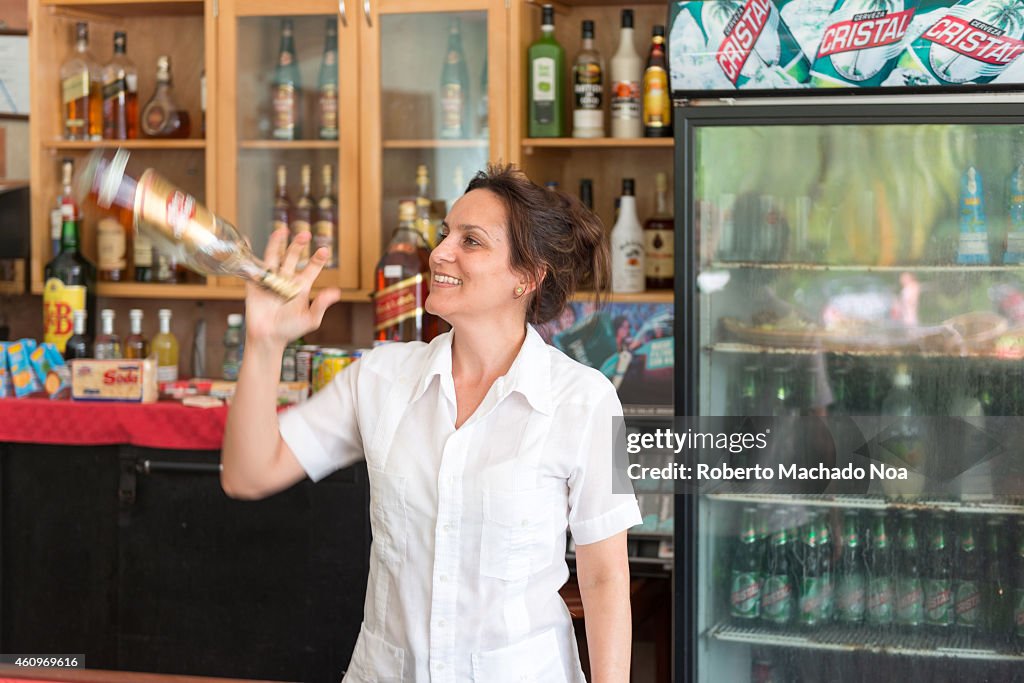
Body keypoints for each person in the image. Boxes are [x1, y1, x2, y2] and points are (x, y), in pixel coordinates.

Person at [221, 163, 642, 682]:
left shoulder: (587, 401)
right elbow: (248, 473)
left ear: (528, 278)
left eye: (472, 241)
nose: (440, 252)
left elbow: (604, 581)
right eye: (445, 234)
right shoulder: (379, 378)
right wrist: (264, 343)